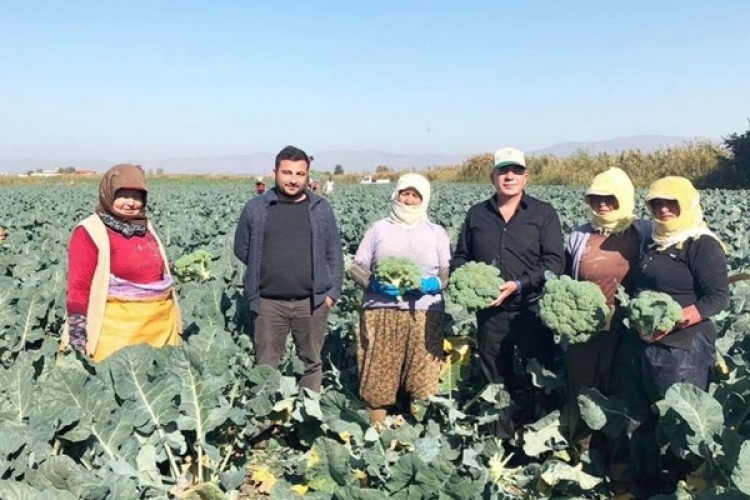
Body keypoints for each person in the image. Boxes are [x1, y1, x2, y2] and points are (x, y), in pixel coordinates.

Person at [452, 147, 565, 439]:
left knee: (540, 378)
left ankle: (539, 441)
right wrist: (469, 284)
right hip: (491, 313)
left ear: (526, 178)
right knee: (494, 380)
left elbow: (554, 262)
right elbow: (461, 258)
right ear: (493, 177)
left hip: (532, 310)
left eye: (515, 171)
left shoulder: (543, 213)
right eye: (503, 171)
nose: (509, 176)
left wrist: (519, 284)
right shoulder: (477, 214)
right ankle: (498, 442)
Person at [625, 176, 729, 491]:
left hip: (683, 350)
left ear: (686, 204)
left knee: (677, 423)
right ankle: (647, 486)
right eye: (657, 203)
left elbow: (717, 298)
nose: (664, 209)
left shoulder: (702, 243)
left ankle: (678, 487)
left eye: (672, 203)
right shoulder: (654, 240)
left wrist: (672, 321)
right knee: (641, 420)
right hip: (645, 345)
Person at [233, 145, 343, 392]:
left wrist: (332, 294)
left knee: (311, 364)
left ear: (307, 176)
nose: (293, 180)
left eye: (299, 174)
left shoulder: (320, 209)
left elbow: (334, 252)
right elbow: (241, 248)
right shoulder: (256, 208)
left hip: (312, 303)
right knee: (266, 367)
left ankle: (306, 423)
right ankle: (265, 425)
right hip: (268, 303)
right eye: (287, 173)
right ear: (275, 172)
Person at [349, 173, 451, 424]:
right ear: (395, 195)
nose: (409, 199)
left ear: (424, 199)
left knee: (423, 373)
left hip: (426, 313)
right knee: (378, 373)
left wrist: (432, 284)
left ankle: (418, 432)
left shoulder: (436, 232)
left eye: (415, 195)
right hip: (380, 309)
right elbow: (356, 266)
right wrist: (372, 282)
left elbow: (447, 273)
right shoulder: (378, 228)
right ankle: (376, 432)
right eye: (404, 193)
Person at [564, 167, 653, 442]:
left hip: (629, 323)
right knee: (583, 386)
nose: (602, 204)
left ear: (625, 198)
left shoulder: (645, 233)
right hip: (587, 321)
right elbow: (565, 277)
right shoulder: (579, 236)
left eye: (610, 198)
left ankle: (618, 453)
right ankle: (582, 445)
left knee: (623, 384)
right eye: (595, 198)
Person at [65, 164, 181, 362]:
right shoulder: (89, 231)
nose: (131, 203)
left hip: (159, 326)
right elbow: (79, 286)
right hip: (116, 332)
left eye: (137, 196)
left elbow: (150, 264)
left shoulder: (144, 226)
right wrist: (78, 332)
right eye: (124, 195)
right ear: (108, 195)